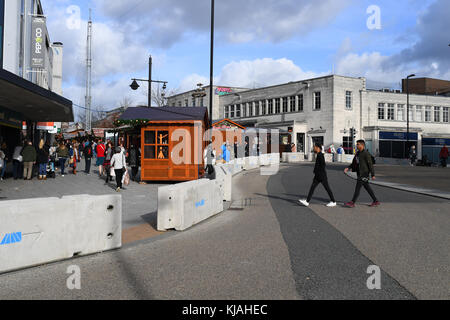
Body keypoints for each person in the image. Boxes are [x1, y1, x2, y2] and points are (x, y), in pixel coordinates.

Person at [299, 143, 337, 208]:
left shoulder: (320, 155)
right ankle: (307, 201)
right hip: (318, 175)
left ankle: (333, 201)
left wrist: (318, 173)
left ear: (318, 148)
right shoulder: (319, 155)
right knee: (312, 188)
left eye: (314, 147)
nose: (314, 148)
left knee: (327, 188)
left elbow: (323, 165)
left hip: (321, 176)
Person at [344, 140, 380, 208]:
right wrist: (348, 167)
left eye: (358, 144)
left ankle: (352, 202)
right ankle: (375, 201)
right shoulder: (358, 153)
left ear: (362, 145)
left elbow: (370, 164)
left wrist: (373, 174)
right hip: (359, 173)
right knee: (367, 188)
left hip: (364, 173)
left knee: (357, 188)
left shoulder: (366, 153)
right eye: (357, 144)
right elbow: (354, 163)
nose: (357, 145)